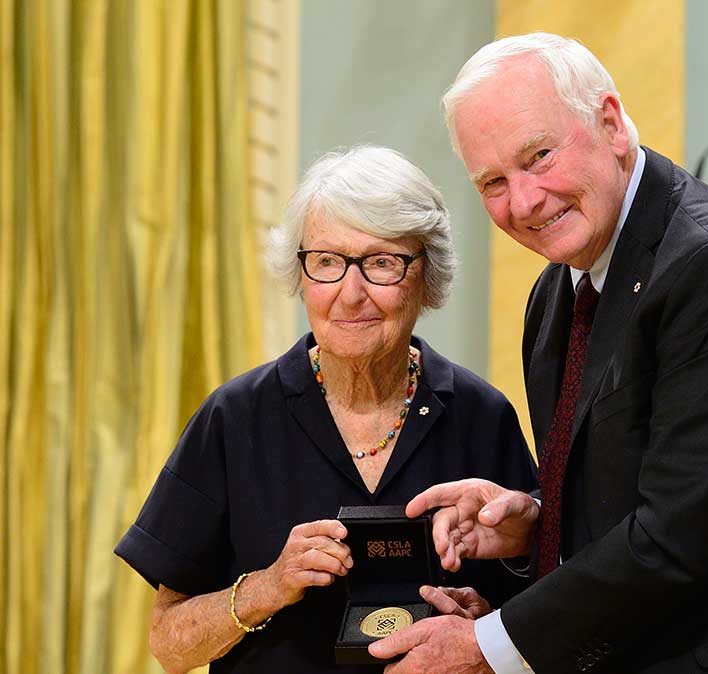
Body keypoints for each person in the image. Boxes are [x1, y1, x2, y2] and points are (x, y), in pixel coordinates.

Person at [370, 33, 708, 674]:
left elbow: (677, 536)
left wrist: (489, 647)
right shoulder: (557, 293)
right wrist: (536, 525)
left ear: (610, 123)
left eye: (539, 156)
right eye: (493, 181)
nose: (523, 202)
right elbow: (640, 494)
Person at [114, 146, 536, 674]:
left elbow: (539, 617)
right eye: (328, 263)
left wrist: (483, 628)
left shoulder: (482, 416)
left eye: (382, 263)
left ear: (426, 278)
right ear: (302, 275)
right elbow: (170, 644)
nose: (350, 293)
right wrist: (267, 587)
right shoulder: (234, 417)